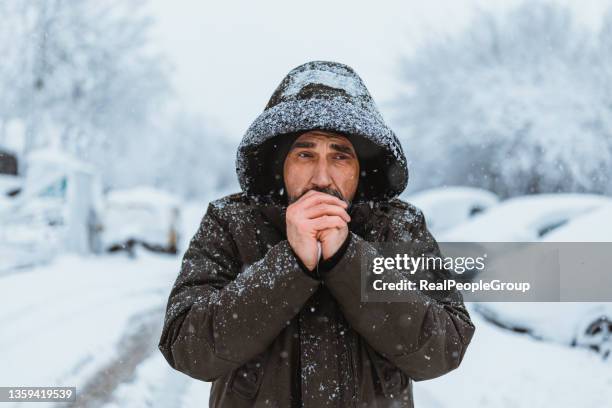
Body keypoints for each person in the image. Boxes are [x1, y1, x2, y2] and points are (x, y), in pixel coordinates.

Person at [158, 60, 475, 407]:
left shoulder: (398, 227)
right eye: (305, 154)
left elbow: (444, 348)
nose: (322, 177)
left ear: (361, 170)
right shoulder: (231, 223)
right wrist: (290, 264)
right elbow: (188, 349)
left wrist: (348, 259)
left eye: (340, 156)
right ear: (280, 164)